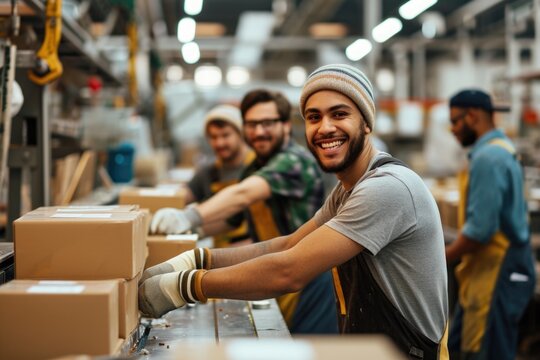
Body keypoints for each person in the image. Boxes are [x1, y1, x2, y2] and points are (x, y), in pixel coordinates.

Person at [140, 64, 449, 358]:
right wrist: (197, 259)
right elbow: (288, 244)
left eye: (339, 114)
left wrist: (185, 286)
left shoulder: (387, 187)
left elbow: (288, 270)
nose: (325, 128)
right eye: (314, 117)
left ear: (367, 123)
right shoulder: (346, 191)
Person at [146, 89, 338, 334]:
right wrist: (190, 230)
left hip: (310, 282)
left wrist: (188, 216)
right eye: (252, 124)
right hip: (275, 273)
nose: (259, 132)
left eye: (267, 123)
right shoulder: (254, 168)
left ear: (286, 126)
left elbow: (244, 194)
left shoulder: (293, 161)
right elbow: (232, 219)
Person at [445, 89, 535, 360]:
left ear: (472, 116)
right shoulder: (501, 148)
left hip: (497, 270)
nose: (452, 130)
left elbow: (480, 232)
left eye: (455, 121)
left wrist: (440, 257)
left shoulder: (488, 159)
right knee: (467, 343)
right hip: (493, 268)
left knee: (485, 350)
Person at [184, 104, 255, 247]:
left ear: (240, 134)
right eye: (213, 137)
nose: (219, 143)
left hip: (257, 253)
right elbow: (181, 196)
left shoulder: (257, 168)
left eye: (225, 135)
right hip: (219, 252)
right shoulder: (208, 173)